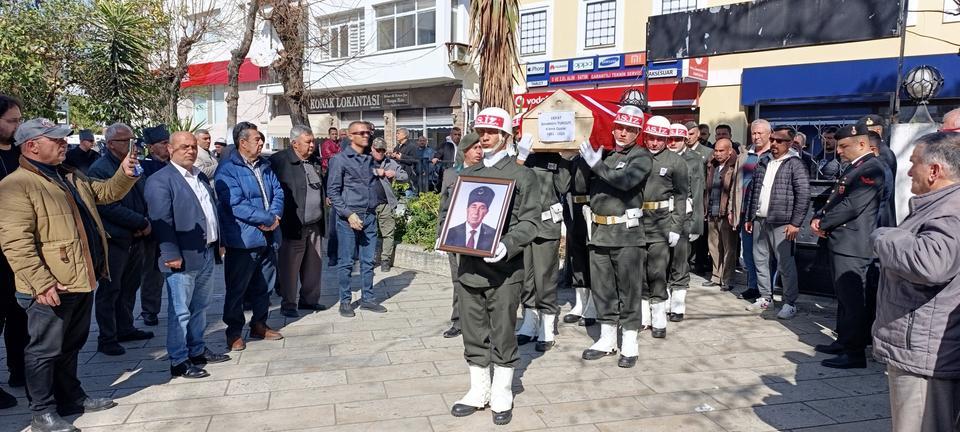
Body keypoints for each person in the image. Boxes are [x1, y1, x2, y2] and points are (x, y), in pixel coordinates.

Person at [0, 117, 140, 432]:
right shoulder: (15, 185)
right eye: (56, 139)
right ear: (32, 146)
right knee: (44, 350)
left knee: (72, 344)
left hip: (79, 277)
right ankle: (42, 413)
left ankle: (71, 397)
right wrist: (41, 282)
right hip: (51, 285)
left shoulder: (69, 174)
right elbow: (15, 242)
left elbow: (102, 193)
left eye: (64, 138)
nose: (64, 143)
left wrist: (124, 175)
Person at [447, 107, 538, 426]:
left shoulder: (522, 174)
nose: (484, 137)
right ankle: (478, 389)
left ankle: (502, 391)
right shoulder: (467, 174)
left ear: (506, 136)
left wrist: (507, 244)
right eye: (481, 131)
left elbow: (530, 223)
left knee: (502, 331)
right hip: (470, 267)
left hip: (504, 271)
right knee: (472, 330)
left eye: (491, 132)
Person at [871, 132, 960, 432]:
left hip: (925, 350)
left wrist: (884, 236)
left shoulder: (951, 210)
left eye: (914, 164)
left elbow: (931, 263)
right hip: (920, 344)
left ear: (934, 171)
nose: (908, 171)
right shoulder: (940, 203)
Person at [145, 131, 231, 379]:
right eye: (183, 147)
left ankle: (196, 350)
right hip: (180, 256)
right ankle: (179, 360)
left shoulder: (199, 175)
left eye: (193, 147)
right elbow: (161, 221)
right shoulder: (161, 180)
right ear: (170, 149)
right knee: (180, 310)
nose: (190, 151)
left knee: (200, 306)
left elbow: (211, 211)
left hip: (205, 252)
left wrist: (220, 241)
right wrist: (170, 252)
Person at [576, 105, 652, 368]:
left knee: (629, 289)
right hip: (599, 233)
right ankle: (607, 338)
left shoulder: (641, 157)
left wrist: (596, 166)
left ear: (637, 132)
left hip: (627, 235)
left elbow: (625, 181)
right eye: (619, 127)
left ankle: (629, 339)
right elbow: (580, 186)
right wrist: (575, 160)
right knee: (603, 288)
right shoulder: (605, 156)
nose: (622, 133)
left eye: (629, 129)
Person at [810, 124, 885, 369]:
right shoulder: (855, 167)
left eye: (844, 146)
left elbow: (852, 205)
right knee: (843, 297)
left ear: (862, 144)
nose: (839, 151)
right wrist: (822, 215)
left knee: (853, 300)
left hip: (853, 244)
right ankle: (843, 340)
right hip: (841, 241)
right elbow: (836, 197)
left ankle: (854, 353)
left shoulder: (871, 168)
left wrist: (823, 221)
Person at [214, 122, 285, 351]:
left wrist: (274, 216)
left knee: (265, 285)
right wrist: (266, 219)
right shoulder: (227, 169)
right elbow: (235, 204)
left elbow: (278, 191)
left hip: (269, 235)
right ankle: (233, 332)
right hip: (242, 239)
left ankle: (259, 324)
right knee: (237, 288)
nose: (261, 142)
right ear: (242, 143)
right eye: (257, 139)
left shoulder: (265, 165)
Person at [87, 123, 156, 356]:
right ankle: (107, 337)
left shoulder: (133, 164)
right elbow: (107, 206)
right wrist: (140, 222)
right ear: (110, 144)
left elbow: (144, 195)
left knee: (129, 286)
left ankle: (125, 327)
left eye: (132, 139)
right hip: (114, 239)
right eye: (125, 140)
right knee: (110, 290)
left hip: (136, 239)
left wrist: (146, 221)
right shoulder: (100, 168)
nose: (131, 144)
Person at [742, 126, 810, 319]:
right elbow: (753, 191)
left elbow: (803, 194)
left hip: (783, 221)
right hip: (759, 219)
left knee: (784, 264)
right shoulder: (763, 161)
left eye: (779, 141)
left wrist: (795, 223)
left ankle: (789, 302)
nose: (774, 144)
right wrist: (749, 217)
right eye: (772, 140)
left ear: (789, 143)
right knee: (760, 259)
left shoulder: (795, 164)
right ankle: (765, 297)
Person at [514, 132, 570, 352]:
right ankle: (529, 322)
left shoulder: (556, 158)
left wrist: (565, 158)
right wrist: (521, 156)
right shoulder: (522, 158)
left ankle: (547, 326)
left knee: (545, 276)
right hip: (524, 227)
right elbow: (511, 185)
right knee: (525, 277)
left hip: (546, 226)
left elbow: (564, 186)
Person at [327, 121, 388, 318]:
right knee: (346, 262)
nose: (365, 135)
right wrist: (348, 214)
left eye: (367, 132)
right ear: (350, 136)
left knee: (368, 260)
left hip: (369, 215)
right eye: (360, 133)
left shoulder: (369, 159)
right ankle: (345, 301)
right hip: (349, 218)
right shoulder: (340, 160)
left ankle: (368, 299)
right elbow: (333, 192)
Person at [269, 125, 328, 318]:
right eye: (308, 142)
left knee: (314, 266)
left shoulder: (314, 162)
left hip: (315, 225)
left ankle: (309, 300)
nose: (312, 145)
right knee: (290, 268)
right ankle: (288, 304)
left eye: (313, 141)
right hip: (292, 226)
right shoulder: (279, 161)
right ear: (294, 143)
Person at [638, 116, 688, 339]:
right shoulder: (637, 157)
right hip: (637, 222)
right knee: (638, 271)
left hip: (661, 223)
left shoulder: (676, 162)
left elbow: (681, 196)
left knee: (657, 270)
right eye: (651, 138)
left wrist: (676, 226)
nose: (654, 143)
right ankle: (643, 315)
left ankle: (658, 314)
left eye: (659, 139)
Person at [437, 133, 482, 339]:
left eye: (481, 148)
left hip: (479, 235)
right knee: (458, 280)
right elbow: (443, 207)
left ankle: (478, 321)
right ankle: (458, 321)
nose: (479, 152)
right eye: (475, 148)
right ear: (465, 151)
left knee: (479, 279)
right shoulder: (450, 174)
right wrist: (440, 234)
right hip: (455, 233)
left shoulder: (486, 173)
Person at [0, 95, 26, 407]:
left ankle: (18, 369)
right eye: (11, 120)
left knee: (21, 314)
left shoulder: (21, 154)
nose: (16, 126)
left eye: (19, 120)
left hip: (20, 251)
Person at [730, 119, 773, 301]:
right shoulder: (746, 155)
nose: (756, 137)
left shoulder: (774, 155)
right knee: (747, 252)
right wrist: (733, 209)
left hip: (765, 212)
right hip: (745, 211)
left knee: (764, 254)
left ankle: (768, 290)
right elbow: (736, 184)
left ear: (769, 133)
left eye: (760, 133)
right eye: (753, 133)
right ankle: (752, 286)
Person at [666, 123, 705, 322]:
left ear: (685, 140)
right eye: (670, 139)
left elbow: (698, 193)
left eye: (677, 139)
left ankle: (678, 305)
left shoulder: (694, 160)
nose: (673, 143)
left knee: (680, 261)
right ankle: (663, 300)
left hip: (685, 215)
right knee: (662, 260)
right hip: (662, 215)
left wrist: (697, 224)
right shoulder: (659, 156)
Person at [138, 124, 170, 327]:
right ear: (151, 147)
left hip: (174, 226)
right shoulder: (143, 167)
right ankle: (150, 310)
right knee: (151, 272)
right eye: (163, 143)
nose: (168, 147)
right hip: (151, 226)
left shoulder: (174, 165)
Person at [704, 139, 740, 290]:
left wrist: (732, 211)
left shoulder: (735, 166)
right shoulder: (711, 165)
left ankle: (728, 279)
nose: (718, 154)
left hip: (726, 212)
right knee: (713, 245)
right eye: (716, 151)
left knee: (729, 248)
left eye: (721, 151)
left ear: (729, 151)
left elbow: (735, 190)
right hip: (712, 210)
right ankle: (716, 276)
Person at [370, 137, 408, 271]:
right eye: (377, 149)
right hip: (369, 204)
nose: (380, 152)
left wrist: (395, 174)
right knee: (369, 233)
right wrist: (376, 172)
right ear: (372, 149)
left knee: (388, 233)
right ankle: (371, 258)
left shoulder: (390, 162)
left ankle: (385, 260)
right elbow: (357, 174)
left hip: (386, 203)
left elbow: (405, 176)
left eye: (382, 150)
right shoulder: (365, 161)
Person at [684, 121, 712, 274]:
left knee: (700, 232)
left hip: (701, 196)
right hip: (686, 197)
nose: (688, 137)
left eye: (692, 133)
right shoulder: (679, 152)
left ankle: (698, 262)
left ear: (698, 134)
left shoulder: (707, 152)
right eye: (686, 134)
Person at [392, 128, 419, 195]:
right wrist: (392, 156)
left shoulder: (412, 146)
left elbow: (415, 160)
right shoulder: (397, 147)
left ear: (404, 135)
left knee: (408, 201)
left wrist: (402, 157)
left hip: (408, 179)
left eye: (398, 133)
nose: (396, 135)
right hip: (398, 178)